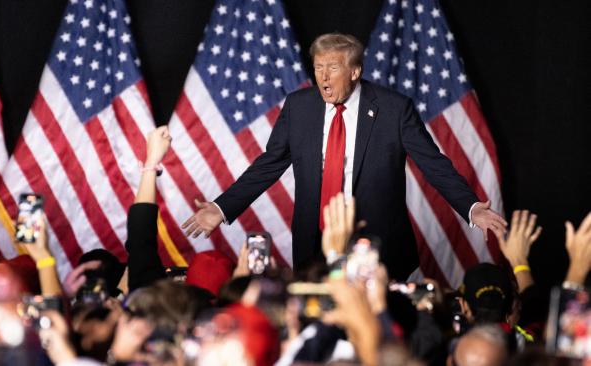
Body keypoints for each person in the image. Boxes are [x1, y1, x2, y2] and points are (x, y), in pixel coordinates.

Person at [182, 32, 506, 279]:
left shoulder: (393, 109)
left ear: (354, 71)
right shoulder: (299, 107)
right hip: (315, 243)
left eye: (332, 68)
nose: (323, 76)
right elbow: (269, 164)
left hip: (377, 243)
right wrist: (222, 207)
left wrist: (471, 206)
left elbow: (433, 164)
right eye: (318, 67)